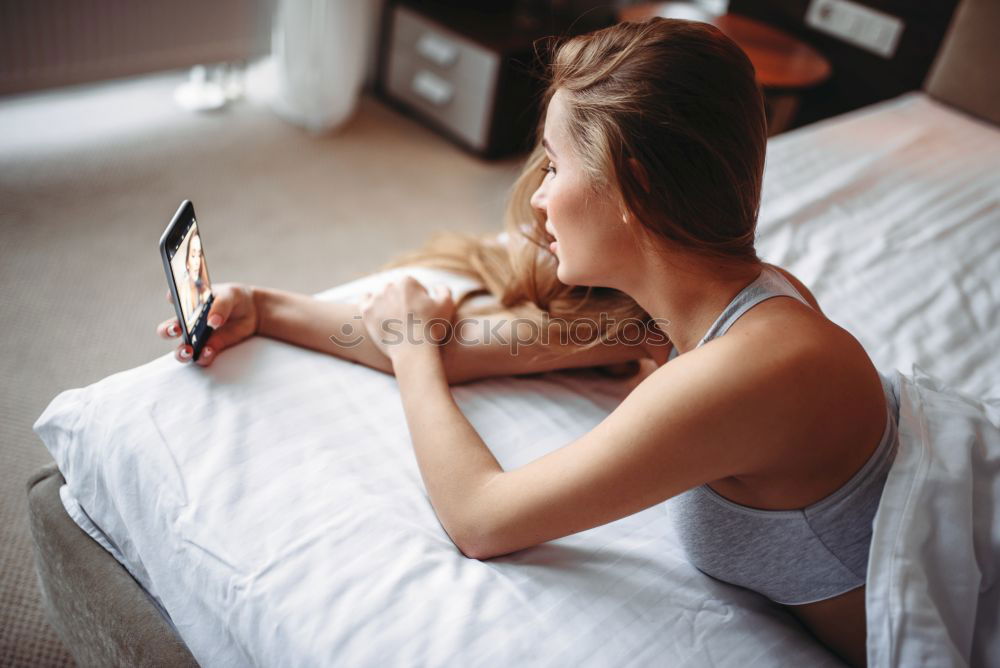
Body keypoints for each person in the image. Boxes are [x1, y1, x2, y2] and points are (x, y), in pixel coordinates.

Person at [157, 18, 892, 666]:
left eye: (555, 164)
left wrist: (413, 355)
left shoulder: (749, 369)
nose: (537, 198)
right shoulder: (693, 308)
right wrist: (267, 307)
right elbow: (470, 345)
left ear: (631, 189)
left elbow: (481, 518)